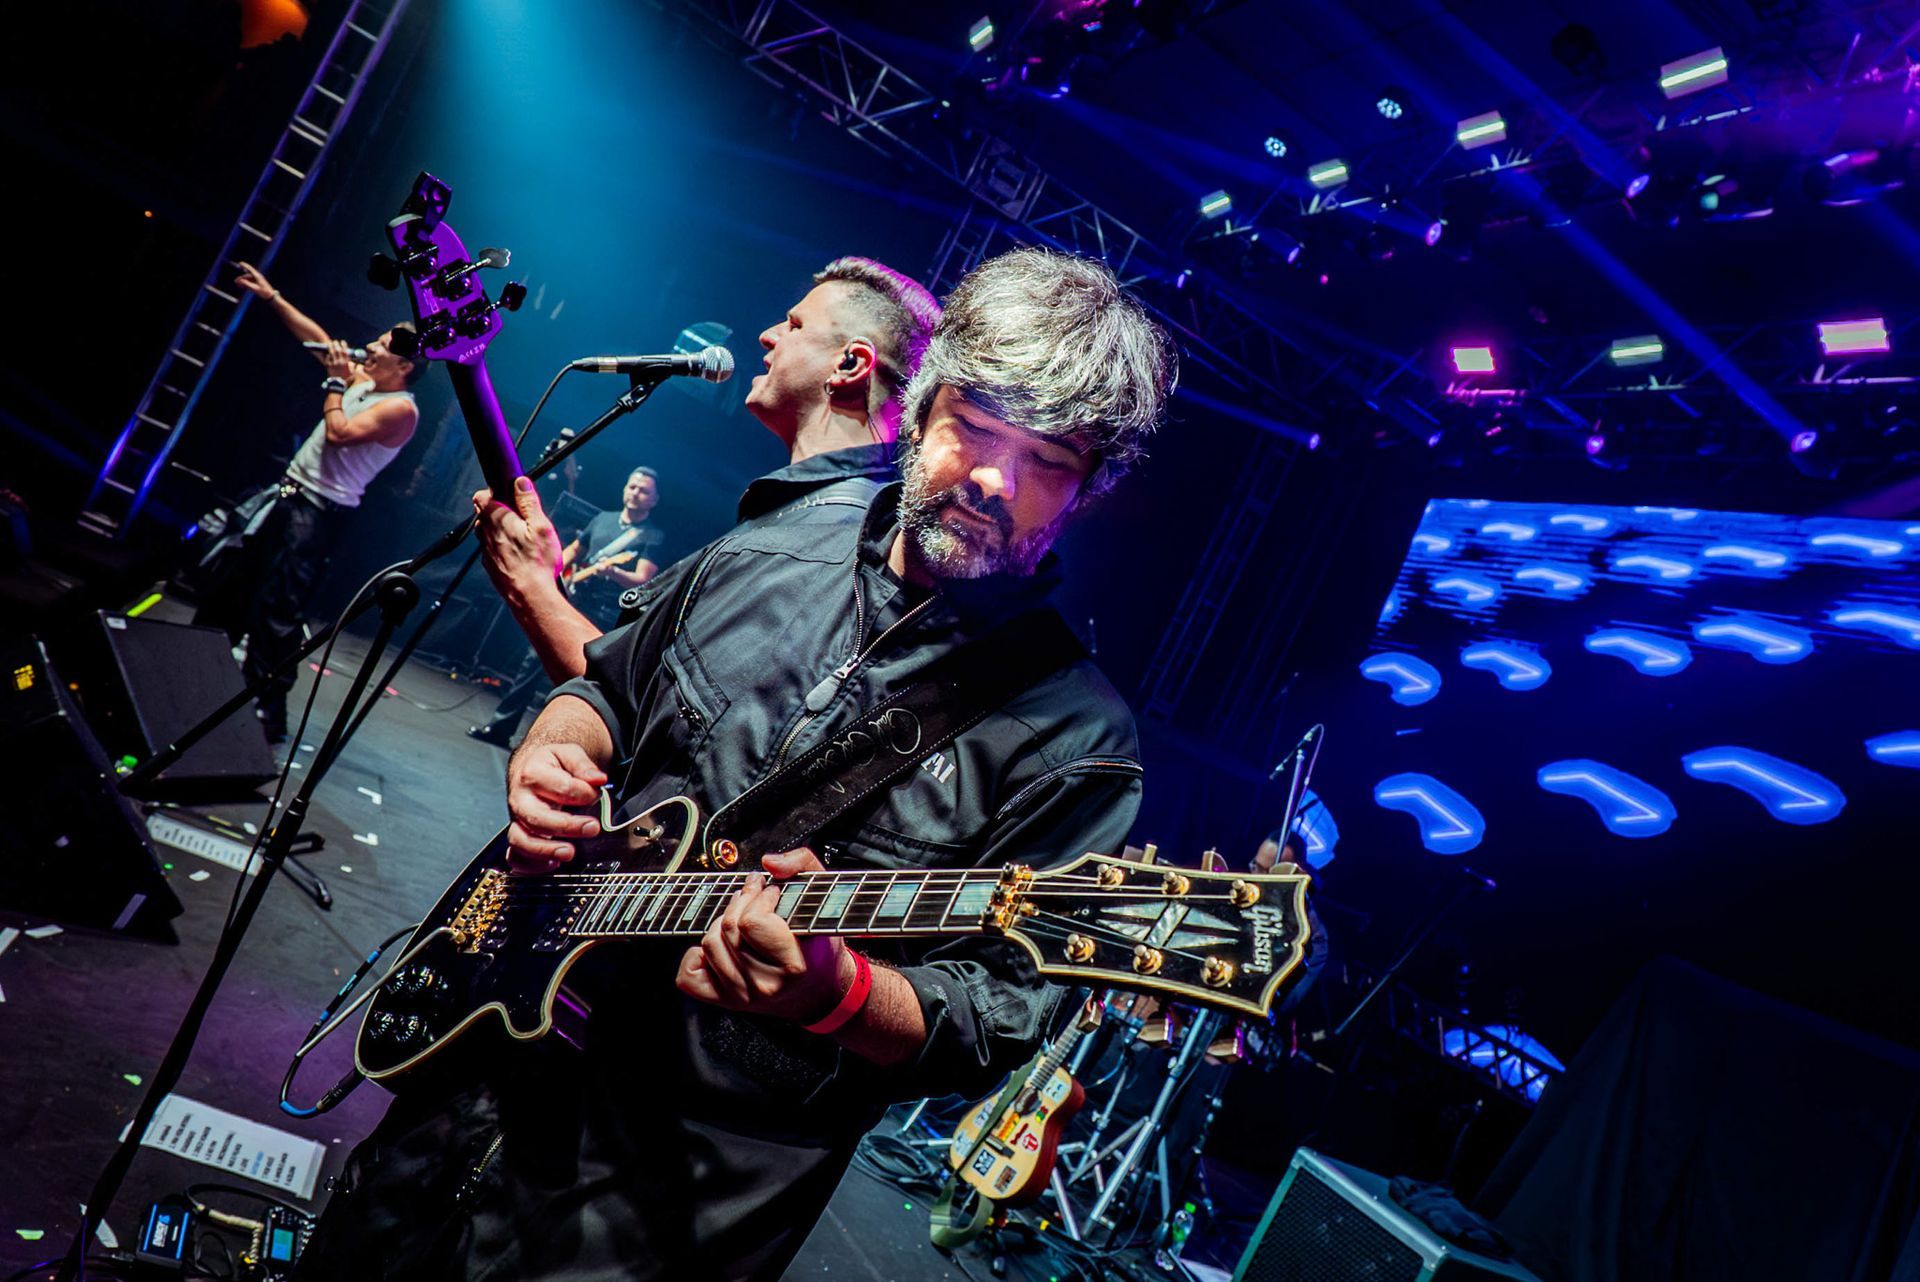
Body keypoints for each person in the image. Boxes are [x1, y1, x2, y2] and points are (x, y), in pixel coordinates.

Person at [296, 248, 1177, 1281]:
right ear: (923, 406)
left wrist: (842, 993)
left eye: (1048, 462)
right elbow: (609, 688)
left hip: (672, 1200)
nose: (995, 478)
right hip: (480, 1075)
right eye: (975, 428)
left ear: (1089, 491)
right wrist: (553, 746)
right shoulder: (778, 539)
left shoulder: (1077, 744)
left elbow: (999, 1016)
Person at [470, 257, 939, 686]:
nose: (768, 335)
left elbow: (651, 708)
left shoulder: (830, 539)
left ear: (850, 363)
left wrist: (531, 584)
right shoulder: (807, 516)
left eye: (795, 325)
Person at [192, 261, 423, 744]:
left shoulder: (400, 409)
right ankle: (200, 676)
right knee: (233, 583)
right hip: (286, 496)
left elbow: (340, 434)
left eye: (381, 346)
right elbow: (318, 339)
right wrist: (272, 296)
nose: (370, 347)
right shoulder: (366, 380)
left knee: (277, 613)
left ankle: (268, 714)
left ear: (404, 366)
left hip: (317, 514)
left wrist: (336, 383)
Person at [468, 467, 666, 748]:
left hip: (607, 614)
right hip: (576, 601)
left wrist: (613, 572)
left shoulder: (652, 536)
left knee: (583, 682)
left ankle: (561, 746)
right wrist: (554, 572)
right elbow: (571, 554)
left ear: (654, 500)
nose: (635, 493)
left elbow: (642, 578)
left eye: (644, 491)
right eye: (632, 487)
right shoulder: (602, 520)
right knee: (532, 662)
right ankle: (500, 728)